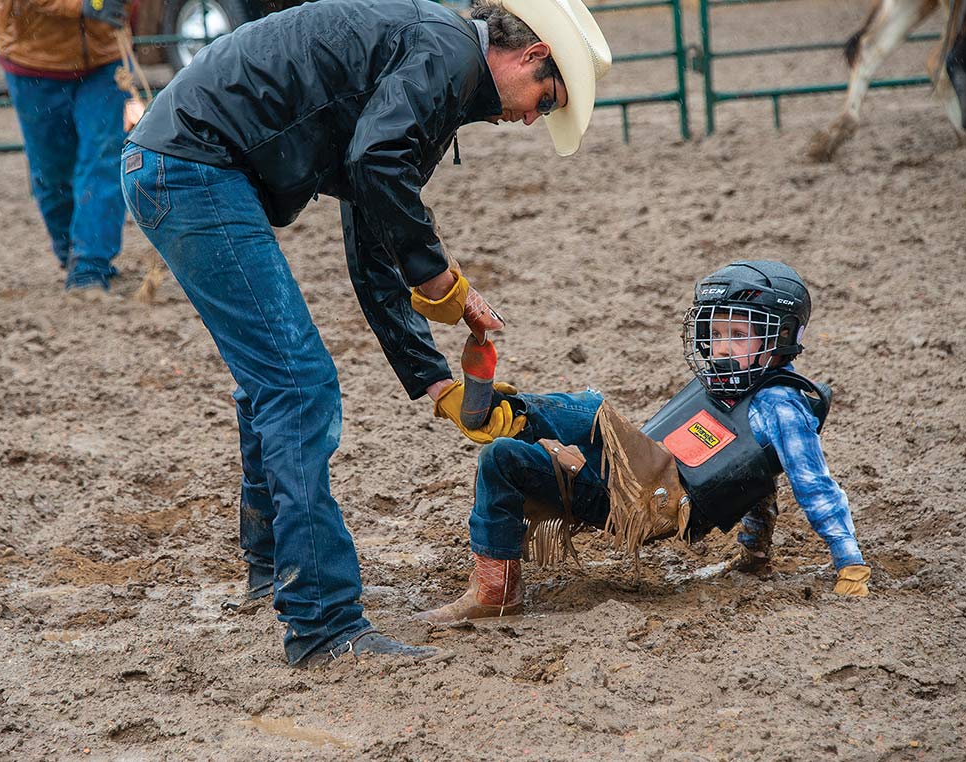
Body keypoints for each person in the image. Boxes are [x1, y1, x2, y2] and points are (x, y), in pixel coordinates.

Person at [119, 0, 612, 667]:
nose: (530, 117)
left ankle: (275, 572)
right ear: (529, 54)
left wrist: (433, 376)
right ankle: (323, 624)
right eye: (545, 98)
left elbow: (374, 227)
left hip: (181, 165)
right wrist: (443, 284)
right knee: (297, 386)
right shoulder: (444, 57)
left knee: (275, 381)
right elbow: (380, 167)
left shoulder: (433, 64)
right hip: (194, 168)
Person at [418, 260, 871, 624]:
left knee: (583, 413)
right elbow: (753, 471)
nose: (721, 348)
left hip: (652, 503)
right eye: (715, 335)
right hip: (635, 477)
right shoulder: (727, 387)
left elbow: (812, 485)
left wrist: (849, 563)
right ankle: (497, 586)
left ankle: (501, 412)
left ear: (782, 338)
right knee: (504, 457)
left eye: (738, 335)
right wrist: (754, 552)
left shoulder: (783, 407)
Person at [0, 0, 130, 292]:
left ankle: (90, 263)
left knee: (105, 154)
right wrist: (81, 4)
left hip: (104, 55)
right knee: (51, 168)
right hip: (32, 58)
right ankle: (71, 250)